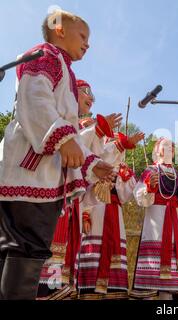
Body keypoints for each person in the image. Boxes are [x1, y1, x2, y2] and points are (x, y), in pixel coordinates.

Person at [0, 10, 113, 300]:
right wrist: (61, 138)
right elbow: (34, 99)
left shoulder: (63, 66)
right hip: (30, 173)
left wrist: (91, 164)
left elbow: (71, 134)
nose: (88, 43)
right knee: (25, 246)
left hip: (40, 176)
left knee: (20, 248)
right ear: (60, 29)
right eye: (83, 35)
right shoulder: (45, 55)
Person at [37, 79, 121, 300]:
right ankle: (46, 289)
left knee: (63, 252)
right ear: (71, 91)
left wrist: (98, 166)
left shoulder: (73, 126)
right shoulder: (58, 118)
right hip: (50, 190)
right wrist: (98, 130)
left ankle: (56, 287)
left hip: (68, 194)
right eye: (86, 92)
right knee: (48, 249)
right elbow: (77, 145)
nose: (92, 98)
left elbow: (84, 151)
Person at [76, 132, 144, 300]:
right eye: (114, 141)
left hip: (115, 211)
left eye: (118, 143)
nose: (117, 146)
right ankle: (88, 289)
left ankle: (113, 290)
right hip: (96, 208)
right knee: (92, 244)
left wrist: (125, 179)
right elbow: (85, 191)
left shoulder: (122, 169)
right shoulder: (96, 161)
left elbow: (124, 197)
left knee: (114, 246)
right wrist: (85, 215)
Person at [130, 138, 178, 300]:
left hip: (173, 218)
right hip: (155, 217)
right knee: (153, 266)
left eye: (172, 146)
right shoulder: (150, 170)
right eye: (165, 145)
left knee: (169, 274)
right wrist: (149, 188)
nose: (170, 147)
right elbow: (139, 196)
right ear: (157, 150)